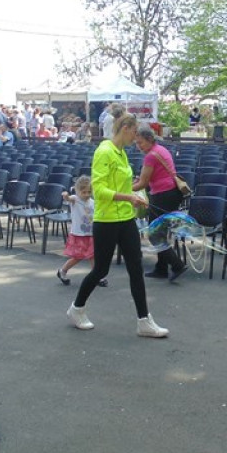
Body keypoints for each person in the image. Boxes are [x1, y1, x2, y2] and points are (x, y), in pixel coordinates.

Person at [67, 113, 169, 337]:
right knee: (101, 270)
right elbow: (99, 190)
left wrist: (136, 195)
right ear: (125, 128)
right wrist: (129, 197)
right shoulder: (104, 151)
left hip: (126, 218)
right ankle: (76, 309)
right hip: (106, 220)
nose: (136, 137)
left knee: (136, 268)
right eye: (134, 131)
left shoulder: (122, 153)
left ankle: (144, 321)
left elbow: (123, 186)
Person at [133, 125, 188, 281]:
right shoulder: (161, 149)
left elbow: (143, 183)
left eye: (140, 142)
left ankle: (177, 265)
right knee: (160, 232)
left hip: (163, 195)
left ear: (150, 139)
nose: (138, 146)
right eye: (136, 143)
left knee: (154, 234)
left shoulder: (150, 156)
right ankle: (161, 268)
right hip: (171, 193)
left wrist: (123, 189)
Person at [57, 176, 108, 287]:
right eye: (83, 192)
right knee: (78, 257)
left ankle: (97, 276)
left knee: (93, 255)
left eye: (89, 192)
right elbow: (68, 199)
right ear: (77, 191)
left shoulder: (92, 202)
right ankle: (62, 271)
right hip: (79, 234)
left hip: (91, 234)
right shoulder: (75, 199)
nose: (86, 194)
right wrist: (66, 196)